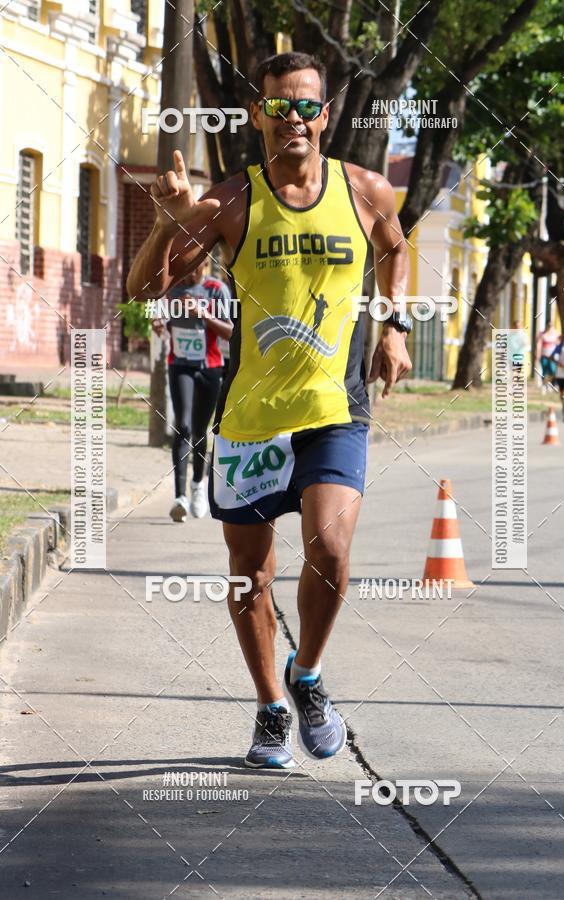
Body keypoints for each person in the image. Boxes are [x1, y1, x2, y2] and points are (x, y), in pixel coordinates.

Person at [127, 51, 412, 768]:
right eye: (280, 106)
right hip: (251, 417)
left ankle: (307, 674)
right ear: (257, 114)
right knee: (249, 575)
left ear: (326, 115)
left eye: (308, 106)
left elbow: (395, 247)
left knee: (332, 550)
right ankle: (268, 708)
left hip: (335, 409)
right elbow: (142, 290)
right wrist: (169, 221)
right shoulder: (229, 202)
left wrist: (396, 326)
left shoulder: (368, 190)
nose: (295, 119)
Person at [158, 260, 233, 521]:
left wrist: (203, 314)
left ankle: (198, 486)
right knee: (184, 426)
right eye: (187, 266)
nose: (191, 273)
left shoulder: (216, 289)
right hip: (180, 365)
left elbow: (231, 331)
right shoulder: (172, 290)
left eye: (197, 267)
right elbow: (161, 321)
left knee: (201, 431)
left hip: (210, 368)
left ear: (206, 265)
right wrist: (158, 325)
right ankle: (180, 497)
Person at [535, 321, 558, 392]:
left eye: (551, 325)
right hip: (544, 355)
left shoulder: (555, 334)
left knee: (553, 371)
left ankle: (549, 384)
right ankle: (544, 386)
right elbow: (539, 344)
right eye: (548, 325)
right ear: (546, 325)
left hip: (552, 357)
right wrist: (538, 354)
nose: (549, 327)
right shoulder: (542, 334)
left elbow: (557, 344)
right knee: (544, 371)